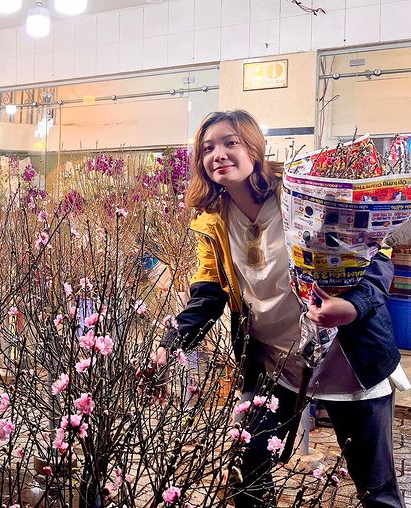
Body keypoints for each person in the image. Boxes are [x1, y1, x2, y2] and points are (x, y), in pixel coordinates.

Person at [154, 110, 408, 508]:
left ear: (254, 147)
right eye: (207, 148)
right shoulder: (213, 221)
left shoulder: (300, 193)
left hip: (351, 358)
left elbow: (376, 256)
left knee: (377, 491)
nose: (218, 153)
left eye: (229, 142)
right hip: (275, 364)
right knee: (246, 469)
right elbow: (207, 293)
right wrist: (172, 342)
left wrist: (351, 307)